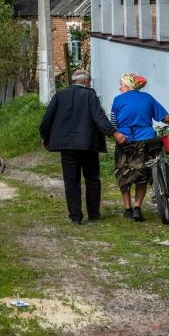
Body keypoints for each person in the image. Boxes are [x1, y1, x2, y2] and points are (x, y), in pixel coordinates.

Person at [39, 69, 127, 225]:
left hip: (67, 146)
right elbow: (99, 117)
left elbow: (47, 119)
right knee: (92, 179)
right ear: (86, 81)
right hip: (88, 144)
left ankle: (75, 217)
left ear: (74, 81)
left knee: (71, 181)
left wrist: (45, 137)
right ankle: (93, 214)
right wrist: (114, 133)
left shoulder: (60, 95)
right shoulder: (89, 95)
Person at [110, 73, 169, 221]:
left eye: (121, 85)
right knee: (143, 172)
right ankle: (137, 207)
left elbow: (114, 123)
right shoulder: (147, 98)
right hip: (146, 140)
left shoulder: (117, 100)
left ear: (128, 86)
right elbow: (165, 117)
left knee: (123, 172)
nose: (120, 88)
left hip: (124, 141)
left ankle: (127, 209)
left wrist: (118, 134)